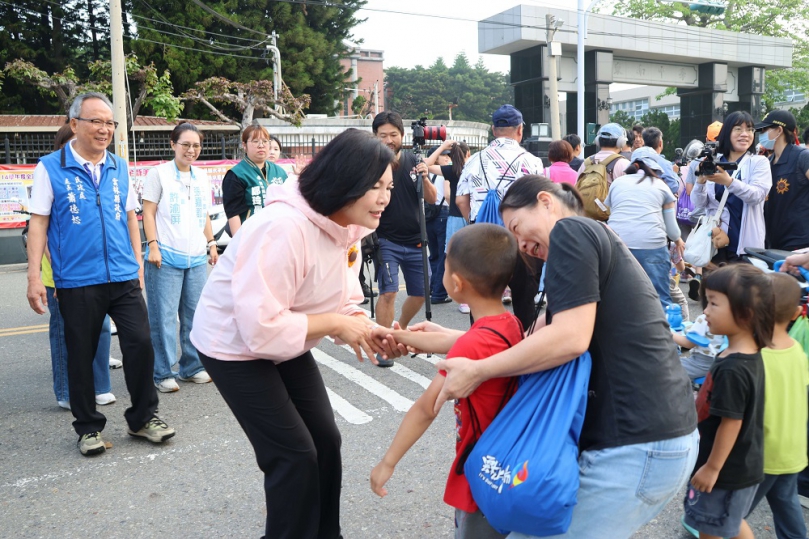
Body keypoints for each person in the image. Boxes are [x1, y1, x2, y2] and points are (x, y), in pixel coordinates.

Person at [434, 176, 699, 538]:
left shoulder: (571, 231)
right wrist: (439, 340)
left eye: (517, 227)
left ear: (546, 201)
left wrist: (478, 370)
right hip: (654, 440)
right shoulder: (593, 240)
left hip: (637, 443)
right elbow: (529, 343)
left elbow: (570, 338)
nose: (521, 245)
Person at [190, 129, 397, 539]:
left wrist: (369, 329)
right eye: (375, 186)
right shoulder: (283, 227)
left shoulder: (347, 228)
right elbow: (260, 326)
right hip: (233, 346)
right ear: (344, 181)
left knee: (326, 440)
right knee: (293, 455)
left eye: (388, 187)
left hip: (286, 335)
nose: (384, 198)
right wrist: (337, 324)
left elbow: (341, 301)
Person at [26, 92, 174, 456]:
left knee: (140, 343)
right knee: (81, 354)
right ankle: (88, 428)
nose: (104, 129)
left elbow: (130, 217)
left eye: (109, 122)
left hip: (122, 275)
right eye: (96, 121)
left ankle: (142, 418)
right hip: (77, 279)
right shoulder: (50, 168)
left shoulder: (119, 166)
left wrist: (137, 264)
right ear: (74, 124)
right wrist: (34, 277)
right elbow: (38, 223)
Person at [370, 224, 522, 539]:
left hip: (481, 470)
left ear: (456, 282)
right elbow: (469, 341)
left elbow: (427, 408)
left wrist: (388, 462)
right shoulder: (510, 324)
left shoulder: (471, 344)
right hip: (509, 459)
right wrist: (402, 336)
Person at [683, 264, 773, 539]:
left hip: (725, 470)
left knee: (711, 526)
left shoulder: (734, 368)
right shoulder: (741, 354)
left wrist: (712, 468)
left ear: (746, 313)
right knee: (727, 523)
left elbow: (731, 422)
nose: (705, 312)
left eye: (713, 303)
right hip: (733, 465)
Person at [141, 122, 218, 393]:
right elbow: (148, 212)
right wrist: (153, 246)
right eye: (185, 144)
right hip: (165, 256)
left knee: (194, 316)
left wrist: (211, 243)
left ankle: (192, 367)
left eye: (196, 145)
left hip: (195, 257)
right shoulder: (158, 174)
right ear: (173, 144)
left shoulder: (202, 177)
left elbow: (203, 213)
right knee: (163, 318)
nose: (191, 150)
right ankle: (163, 372)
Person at [45, 122, 116, 410]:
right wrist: (58, 275)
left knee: (101, 329)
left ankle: (100, 386)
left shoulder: (97, 178)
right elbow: (40, 232)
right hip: (61, 276)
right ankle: (66, 391)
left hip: (96, 273)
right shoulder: (51, 175)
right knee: (65, 333)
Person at [456, 104, 545, 328]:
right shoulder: (532, 161)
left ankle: (483, 342)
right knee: (524, 301)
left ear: (493, 130)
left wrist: (475, 222)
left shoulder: (474, 160)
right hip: (522, 240)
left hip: (483, 238)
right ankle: (524, 344)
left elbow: (460, 200)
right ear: (520, 130)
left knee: (482, 299)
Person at [744, 273, 808, 539]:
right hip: (793, 449)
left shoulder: (754, 358)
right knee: (785, 501)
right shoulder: (797, 351)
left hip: (764, 454)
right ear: (796, 313)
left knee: (731, 512)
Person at [372, 111, 436, 367]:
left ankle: (400, 328)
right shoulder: (371, 165)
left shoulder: (414, 162)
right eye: (382, 135)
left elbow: (432, 198)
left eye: (393, 135)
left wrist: (425, 177)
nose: (388, 140)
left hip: (417, 240)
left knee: (421, 293)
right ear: (374, 137)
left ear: (402, 136)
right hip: (386, 239)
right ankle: (383, 344)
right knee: (388, 292)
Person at [604, 150, 684, 309]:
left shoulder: (617, 183)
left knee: (619, 300)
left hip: (617, 246)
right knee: (660, 299)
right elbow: (672, 230)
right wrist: (678, 241)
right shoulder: (660, 185)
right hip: (651, 246)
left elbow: (614, 214)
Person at [691, 111, 772, 265]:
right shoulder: (714, 162)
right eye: (738, 129)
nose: (745, 134)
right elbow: (699, 203)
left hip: (744, 247)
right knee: (715, 281)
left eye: (749, 129)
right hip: (715, 243)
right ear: (727, 133)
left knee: (742, 281)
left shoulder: (759, 162)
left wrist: (729, 182)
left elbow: (757, 196)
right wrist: (700, 182)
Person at [426, 139, 472, 313]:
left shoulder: (452, 170)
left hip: (454, 217)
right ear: (468, 154)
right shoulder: (474, 168)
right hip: (473, 216)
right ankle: (473, 295)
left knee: (453, 258)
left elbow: (426, 165)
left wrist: (442, 147)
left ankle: (461, 297)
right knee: (473, 258)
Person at [222, 124, 288, 237]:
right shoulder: (236, 175)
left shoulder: (280, 172)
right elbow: (233, 213)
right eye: (255, 141)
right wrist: (239, 242)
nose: (261, 145)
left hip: (279, 236)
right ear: (244, 145)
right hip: (251, 237)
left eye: (265, 141)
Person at [757, 110, 809, 251]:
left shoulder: (802, 157)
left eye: (765, 129)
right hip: (773, 243)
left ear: (779, 130)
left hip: (800, 243)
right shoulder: (767, 163)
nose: (761, 134)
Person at [423, 145, 452, 304]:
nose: (447, 158)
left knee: (434, 254)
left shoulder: (425, 174)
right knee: (442, 255)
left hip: (428, 216)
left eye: (448, 155)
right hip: (443, 214)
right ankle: (439, 293)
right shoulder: (444, 173)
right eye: (443, 155)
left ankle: (433, 287)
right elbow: (448, 195)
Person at [641, 126, 680, 194]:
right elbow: (673, 188)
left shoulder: (637, 161)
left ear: (644, 143)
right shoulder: (664, 164)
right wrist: (674, 173)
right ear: (660, 143)